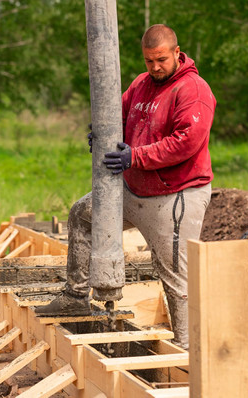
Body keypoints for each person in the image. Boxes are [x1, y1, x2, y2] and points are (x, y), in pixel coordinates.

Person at [36, 24, 216, 349]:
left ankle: (188, 353)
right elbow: (116, 114)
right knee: (82, 214)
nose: (155, 67)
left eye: (161, 59)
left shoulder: (194, 90)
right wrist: (102, 130)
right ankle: (75, 297)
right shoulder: (141, 84)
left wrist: (137, 156)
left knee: (175, 276)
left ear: (177, 53)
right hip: (134, 189)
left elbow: (187, 142)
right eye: (149, 61)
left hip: (174, 196)